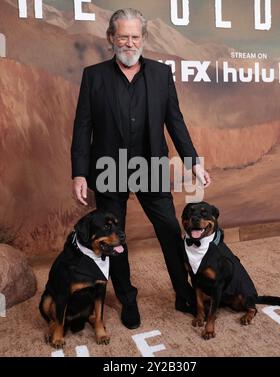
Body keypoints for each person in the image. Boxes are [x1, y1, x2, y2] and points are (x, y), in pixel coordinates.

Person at [71, 8, 211, 330]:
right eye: (123, 36)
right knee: (114, 237)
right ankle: (127, 299)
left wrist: (193, 162)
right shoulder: (94, 76)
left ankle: (183, 293)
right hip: (108, 168)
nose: (130, 43)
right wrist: (79, 173)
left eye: (136, 37)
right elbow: (82, 128)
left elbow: (175, 122)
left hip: (151, 167)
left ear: (144, 39)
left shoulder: (161, 75)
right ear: (111, 38)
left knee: (168, 229)